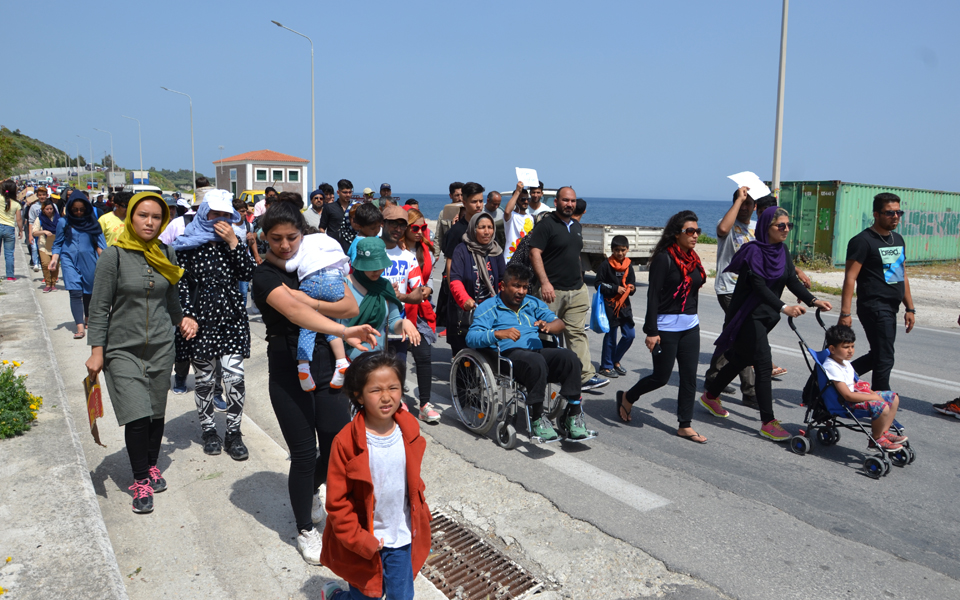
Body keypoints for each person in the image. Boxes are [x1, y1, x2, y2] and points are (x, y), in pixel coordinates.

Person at [251, 200, 379, 566]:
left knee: (338, 443)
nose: (285, 245)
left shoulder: (314, 262)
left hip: (324, 363)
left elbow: (350, 305)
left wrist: (309, 301)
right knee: (304, 453)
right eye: (276, 239)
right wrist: (337, 324)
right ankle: (305, 528)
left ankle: (312, 490)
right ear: (265, 238)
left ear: (302, 233)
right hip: (288, 368)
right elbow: (293, 312)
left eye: (292, 237)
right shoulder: (264, 276)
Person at [84, 192, 198, 513]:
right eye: (143, 216)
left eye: (156, 217)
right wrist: (97, 351)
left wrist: (183, 320)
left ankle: (150, 463)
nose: (150, 222)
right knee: (137, 415)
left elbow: (172, 300)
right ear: (130, 217)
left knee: (156, 414)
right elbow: (99, 306)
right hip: (122, 349)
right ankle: (140, 480)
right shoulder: (114, 256)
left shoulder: (167, 253)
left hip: (162, 346)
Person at [702, 207, 833, 441]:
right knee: (763, 366)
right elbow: (759, 287)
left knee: (739, 360)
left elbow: (791, 279)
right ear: (765, 227)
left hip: (766, 317)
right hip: (747, 316)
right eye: (780, 225)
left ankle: (710, 396)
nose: (786, 230)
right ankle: (768, 421)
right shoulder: (753, 252)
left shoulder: (781, 250)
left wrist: (814, 300)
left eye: (788, 225)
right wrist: (785, 307)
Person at [319, 352, 431, 600]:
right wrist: (360, 540)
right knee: (365, 596)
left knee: (401, 596)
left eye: (393, 387)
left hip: (401, 534)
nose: (386, 397)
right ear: (358, 395)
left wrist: (421, 514)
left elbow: (411, 481)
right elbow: (337, 502)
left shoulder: (409, 430)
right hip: (365, 541)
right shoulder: (345, 442)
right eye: (375, 390)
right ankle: (336, 596)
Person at [466, 263, 596, 441]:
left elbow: (560, 323)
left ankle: (573, 415)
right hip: (509, 356)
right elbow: (471, 337)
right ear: (502, 286)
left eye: (525, 287)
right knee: (535, 362)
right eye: (516, 286)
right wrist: (498, 333)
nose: (521, 291)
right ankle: (537, 418)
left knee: (570, 358)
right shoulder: (488, 307)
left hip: (537, 350)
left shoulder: (532, 303)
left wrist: (548, 326)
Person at [172, 190, 256, 460]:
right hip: (201, 321)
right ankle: (208, 430)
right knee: (206, 380)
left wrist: (234, 242)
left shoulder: (234, 241)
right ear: (203, 213)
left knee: (234, 378)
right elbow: (181, 283)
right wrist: (186, 315)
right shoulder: (187, 243)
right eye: (214, 213)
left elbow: (248, 273)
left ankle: (234, 433)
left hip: (231, 319)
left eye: (224, 214)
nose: (219, 219)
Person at [616, 212, 708, 444]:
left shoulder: (693, 259)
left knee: (689, 378)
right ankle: (628, 396)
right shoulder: (664, 259)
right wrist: (651, 331)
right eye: (690, 231)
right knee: (661, 377)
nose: (695, 235)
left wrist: (691, 315)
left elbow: (693, 292)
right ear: (676, 234)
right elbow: (653, 295)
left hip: (690, 326)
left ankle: (684, 425)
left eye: (697, 231)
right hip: (665, 328)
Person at [529, 186, 608, 391]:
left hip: (576, 290)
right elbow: (535, 253)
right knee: (545, 333)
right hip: (551, 292)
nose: (569, 204)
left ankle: (585, 376)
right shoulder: (546, 225)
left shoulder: (576, 226)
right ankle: (541, 372)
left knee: (577, 332)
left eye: (572, 201)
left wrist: (581, 283)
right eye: (565, 200)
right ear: (556, 202)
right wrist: (545, 283)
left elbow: (574, 256)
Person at [838, 192, 915, 392]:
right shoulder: (863, 241)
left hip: (891, 307)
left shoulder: (897, 239)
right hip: (873, 306)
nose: (895, 216)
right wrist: (845, 313)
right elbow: (850, 277)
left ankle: (834, 380)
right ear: (876, 214)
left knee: (879, 355)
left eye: (899, 212)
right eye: (890, 213)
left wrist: (910, 308)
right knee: (885, 357)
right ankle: (882, 405)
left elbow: (901, 274)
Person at [264, 231, 351, 390]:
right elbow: (345, 268)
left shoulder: (304, 244)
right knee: (330, 323)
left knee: (308, 325)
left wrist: (269, 256)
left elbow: (290, 266)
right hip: (336, 283)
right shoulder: (331, 241)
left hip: (312, 284)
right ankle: (341, 362)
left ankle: (303, 368)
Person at [704, 186, 758, 406]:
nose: (745, 207)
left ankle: (713, 377)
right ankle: (750, 391)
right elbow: (723, 229)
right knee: (745, 337)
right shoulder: (727, 223)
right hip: (729, 289)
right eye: (741, 203)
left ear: (755, 207)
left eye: (749, 203)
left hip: (749, 290)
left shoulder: (755, 228)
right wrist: (738, 199)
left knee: (731, 334)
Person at [821, 324, 906, 450]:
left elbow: (856, 383)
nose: (850, 350)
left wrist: (873, 394)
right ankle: (876, 439)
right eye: (846, 347)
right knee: (881, 407)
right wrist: (873, 397)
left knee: (893, 398)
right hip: (846, 403)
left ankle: (884, 432)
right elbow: (847, 395)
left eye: (852, 346)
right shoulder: (831, 366)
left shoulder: (845, 362)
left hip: (855, 396)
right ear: (832, 349)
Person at [340, 237, 420, 361]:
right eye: (371, 266)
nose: (377, 270)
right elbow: (334, 330)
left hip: (377, 360)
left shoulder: (385, 286)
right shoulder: (343, 286)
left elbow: (393, 322)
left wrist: (404, 323)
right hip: (347, 361)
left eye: (381, 265)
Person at [399, 208, 440, 423]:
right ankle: (399, 399)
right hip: (399, 310)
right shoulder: (395, 250)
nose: (420, 231)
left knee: (424, 356)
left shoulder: (427, 250)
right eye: (415, 227)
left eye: (423, 227)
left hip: (421, 311)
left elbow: (430, 277)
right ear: (405, 228)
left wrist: (429, 289)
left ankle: (424, 404)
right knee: (399, 357)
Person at [49, 191, 107, 338]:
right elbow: (58, 243)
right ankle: (80, 327)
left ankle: (87, 317)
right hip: (68, 259)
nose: (79, 212)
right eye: (75, 210)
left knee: (89, 291)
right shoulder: (64, 222)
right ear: (70, 208)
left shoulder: (93, 223)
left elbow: (102, 245)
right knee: (74, 291)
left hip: (89, 260)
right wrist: (54, 259)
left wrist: (106, 262)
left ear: (87, 208)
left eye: (82, 209)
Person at [448, 212, 505, 357]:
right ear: (473, 229)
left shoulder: (496, 250)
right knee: (465, 356)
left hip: (490, 311)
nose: (487, 232)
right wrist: (464, 299)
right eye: (482, 227)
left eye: (490, 227)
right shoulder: (462, 249)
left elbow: (502, 280)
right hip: (469, 310)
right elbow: (455, 280)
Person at [595, 235, 636, 379]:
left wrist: (631, 288)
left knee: (630, 335)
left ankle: (615, 360)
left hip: (624, 307)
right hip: (610, 306)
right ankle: (606, 366)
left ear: (627, 250)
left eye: (623, 250)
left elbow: (632, 284)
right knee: (611, 337)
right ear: (612, 250)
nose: (620, 253)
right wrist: (614, 288)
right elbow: (598, 284)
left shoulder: (628, 266)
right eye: (617, 250)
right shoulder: (605, 265)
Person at [31, 200, 61, 292]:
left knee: (55, 265)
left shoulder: (58, 219)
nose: (49, 211)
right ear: (43, 210)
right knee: (45, 264)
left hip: (55, 245)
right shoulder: (39, 219)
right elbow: (34, 232)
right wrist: (43, 231)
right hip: (43, 245)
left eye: (51, 209)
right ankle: (47, 283)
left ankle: (53, 283)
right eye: (47, 209)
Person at [502, 182, 533, 261]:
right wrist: (517, 191)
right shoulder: (512, 216)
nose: (526, 202)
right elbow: (507, 211)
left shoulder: (531, 218)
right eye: (523, 199)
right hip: (510, 258)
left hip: (525, 259)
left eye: (528, 199)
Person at [320, 179, 353, 251]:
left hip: (351, 245)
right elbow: (322, 228)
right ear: (338, 192)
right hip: (333, 246)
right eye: (345, 192)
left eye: (350, 192)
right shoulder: (329, 207)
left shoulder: (354, 207)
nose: (348, 195)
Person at [0, 180, 23, 281]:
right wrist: (21, 230)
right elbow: (18, 219)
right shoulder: (17, 204)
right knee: (9, 253)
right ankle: (10, 275)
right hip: (9, 228)